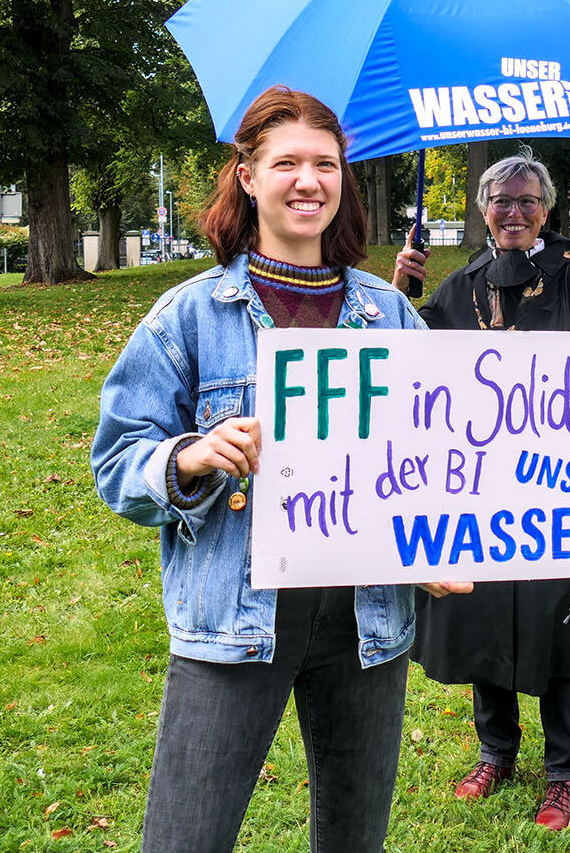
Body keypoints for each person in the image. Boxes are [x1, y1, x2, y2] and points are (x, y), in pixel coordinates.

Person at [92, 86, 470, 853]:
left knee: (354, 839)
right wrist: (189, 457)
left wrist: (430, 539)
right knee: (185, 839)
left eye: (326, 164)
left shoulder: (390, 314)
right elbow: (117, 461)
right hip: (234, 618)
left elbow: (430, 455)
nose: (309, 180)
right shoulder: (190, 315)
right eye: (287, 162)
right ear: (247, 176)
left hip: (364, 621)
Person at [392, 148, 570, 830]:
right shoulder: (461, 286)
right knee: (483, 614)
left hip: (555, 485)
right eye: (501, 201)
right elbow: (411, 361)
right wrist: (401, 290)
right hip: (479, 483)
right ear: (484, 210)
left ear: (545, 210)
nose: (514, 212)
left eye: (527, 201)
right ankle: (496, 751)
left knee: (556, 624)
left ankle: (564, 772)